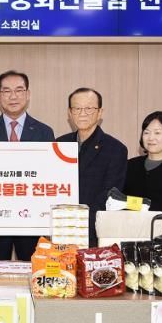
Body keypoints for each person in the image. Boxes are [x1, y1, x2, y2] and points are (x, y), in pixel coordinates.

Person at [0, 70, 55, 261]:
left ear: (28, 94)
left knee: (32, 269)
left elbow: (50, 176)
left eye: (19, 90)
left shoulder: (44, 133)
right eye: (6, 91)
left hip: (33, 220)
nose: (13, 96)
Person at [57, 88, 127, 248]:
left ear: (100, 112)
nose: (82, 113)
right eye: (77, 108)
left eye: (89, 108)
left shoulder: (115, 149)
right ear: (69, 112)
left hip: (93, 232)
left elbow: (111, 193)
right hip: (60, 228)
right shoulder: (59, 144)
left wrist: (79, 220)